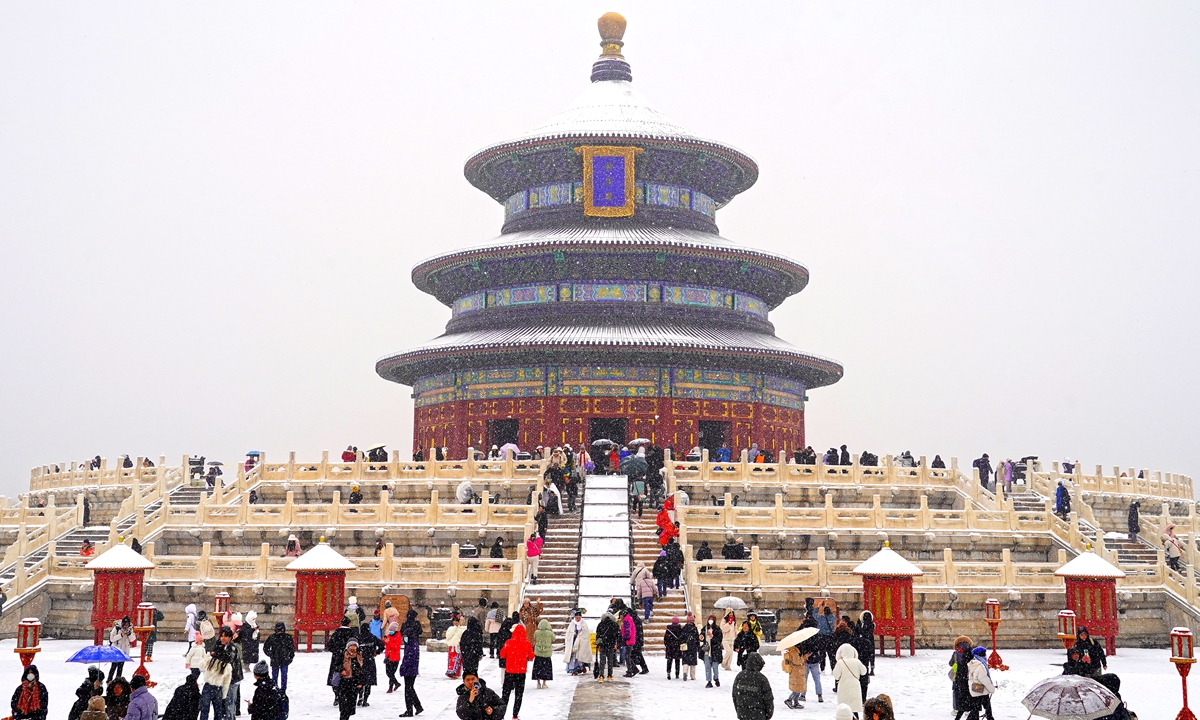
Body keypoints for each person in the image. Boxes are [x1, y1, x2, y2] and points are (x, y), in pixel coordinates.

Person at [498, 624, 534, 718]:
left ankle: (502, 714)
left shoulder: (508, 642)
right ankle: (515, 715)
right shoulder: (527, 644)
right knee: (519, 695)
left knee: (505, 694)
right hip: (521, 672)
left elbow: (502, 654)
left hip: (509, 671)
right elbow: (531, 657)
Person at [731, 652, 773, 720]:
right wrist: (768, 714)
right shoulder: (762, 679)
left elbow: (735, 696)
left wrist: (739, 710)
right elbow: (768, 699)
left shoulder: (740, 676)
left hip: (743, 714)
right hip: (759, 715)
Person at [398, 610, 423, 716]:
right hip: (413, 666)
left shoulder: (410, 645)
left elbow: (408, 658)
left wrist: (403, 667)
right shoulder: (415, 643)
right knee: (410, 687)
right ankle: (417, 706)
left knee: (408, 688)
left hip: (409, 668)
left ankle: (410, 710)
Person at [832, 643, 866, 717]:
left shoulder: (840, 662)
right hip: (855, 686)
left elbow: (836, 676)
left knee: (844, 709)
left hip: (843, 686)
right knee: (854, 709)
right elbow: (864, 672)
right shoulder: (857, 661)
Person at [262, 622, 294, 692]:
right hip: (275, 659)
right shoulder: (272, 637)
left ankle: (283, 690)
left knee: (284, 676)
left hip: (284, 660)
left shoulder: (287, 638)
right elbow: (265, 648)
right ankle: (275, 689)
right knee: (275, 677)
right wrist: (271, 654)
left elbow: (291, 649)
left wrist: (290, 658)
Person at [357, 622, 383, 706]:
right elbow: (382, 645)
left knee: (359, 679)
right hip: (370, 661)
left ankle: (360, 695)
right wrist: (376, 652)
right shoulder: (372, 637)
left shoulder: (358, 637)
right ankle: (365, 699)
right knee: (368, 681)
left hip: (359, 661)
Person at [335, 640, 363, 720]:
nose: (353, 648)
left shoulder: (359, 656)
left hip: (354, 683)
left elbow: (362, 670)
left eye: (354, 646)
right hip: (343, 682)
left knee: (350, 705)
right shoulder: (343, 655)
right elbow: (336, 665)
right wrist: (341, 670)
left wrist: (360, 682)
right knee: (344, 706)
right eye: (351, 646)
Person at [965, 647, 995, 720]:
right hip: (981, 690)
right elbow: (984, 679)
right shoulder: (980, 665)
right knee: (987, 708)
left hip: (975, 689)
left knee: (975, 709)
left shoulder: (973, 663)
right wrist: (992, 689)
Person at [949, 636, 972, 716]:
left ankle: (956, 709)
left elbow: (950, 663)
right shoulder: (971, 652)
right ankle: (967, 709)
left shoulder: (956, 653)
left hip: (958, 676)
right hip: (968, 675)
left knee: (957, 692)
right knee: (968, 691)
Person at [564, 610, 593, 676]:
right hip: (573, 642)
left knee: (580, 655)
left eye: (579, 617)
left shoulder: (584, 624)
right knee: (573, 656)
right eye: (576, 618)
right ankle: (573, 669)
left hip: (581, 642)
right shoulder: (572, 624)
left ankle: (581, 667)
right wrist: (572, 634)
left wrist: (580, 635)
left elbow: (586, 633)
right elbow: (568, 633)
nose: (578, 619)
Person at [594, 611, 619, 682]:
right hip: (611, 644)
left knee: (602, 661)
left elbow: (598, 635)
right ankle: (610, 675)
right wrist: (617, 644)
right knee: (610, 660)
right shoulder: (614, 624)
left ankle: (601, 676)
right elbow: (618, 635)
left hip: (603, 644)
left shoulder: (601, 624)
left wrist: (598, 644)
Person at [700, 614, 724, 687]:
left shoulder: (717, 629)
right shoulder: (704, 629)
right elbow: (701, 637)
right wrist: (701, 637)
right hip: (707, 651)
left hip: (715, 651)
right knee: (707, 667)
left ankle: (716, 678)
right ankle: (709, 681)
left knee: (715, 667)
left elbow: (719, 640)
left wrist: (712, 637)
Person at [781, 643, 807, 709]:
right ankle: (789, 700)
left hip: (797, 672)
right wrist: (804, 657)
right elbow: (797, 661)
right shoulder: (794, 651)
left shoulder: (794, 650)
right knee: (797, 688)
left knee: (798, 687)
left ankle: (796, 702)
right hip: (796, 672)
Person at [532, 619, 554, 689]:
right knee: (546, 669)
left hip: (538, 653)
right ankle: (544, 683)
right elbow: (553, 638)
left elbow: (534, 637)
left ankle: (538, 683)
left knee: (538, 668)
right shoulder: (550, 633)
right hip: (546, 654)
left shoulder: (536, 632)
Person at [680, 614, 701, 681]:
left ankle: (685, 672)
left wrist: (683, 643)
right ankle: (692, 676)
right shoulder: (694, 629)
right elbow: (697, 638)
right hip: (693, 646)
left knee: (685, 661)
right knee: (693, 663)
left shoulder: (684, 628)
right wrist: (698, 646)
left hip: (686, 647)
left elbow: (681, 638)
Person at [445, 614, 466, 679]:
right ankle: (450, 671)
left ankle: (456, 673)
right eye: (454, 621)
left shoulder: (463, 628)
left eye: (457, 621)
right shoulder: (451, 628)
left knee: (457, 660)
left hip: (458, 646)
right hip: (452, 646)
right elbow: (448, 636)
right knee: (451, 660)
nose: (455, 622)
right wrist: (455, 628)